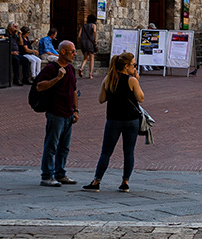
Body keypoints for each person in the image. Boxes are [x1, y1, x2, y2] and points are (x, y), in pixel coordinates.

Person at [84, 50, 143, 192]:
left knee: (106, 152)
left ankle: (97, 181)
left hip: (113, 119)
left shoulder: (108, 79)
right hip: (131, 120)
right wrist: (137, 80)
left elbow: (101, 99)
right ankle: (125, 182)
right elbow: (140, 97)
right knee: (129, 152)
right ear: (127, 66)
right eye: (133, 65)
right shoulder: (131, 80)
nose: (134, 68)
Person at [36, 40, 79, 187]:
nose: (75, 54)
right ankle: (47, 175)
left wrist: (76, 110)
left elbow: (74, 91)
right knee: (52, 145)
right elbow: (40, 86)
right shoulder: (51, 68)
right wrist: (57, 78)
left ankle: (60, 173)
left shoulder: (71, 69)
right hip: (55, 112)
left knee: (64, 146)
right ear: (62, 52)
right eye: (72, 51)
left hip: (68, 113)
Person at [77, 12, 99, 77]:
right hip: (90, 43)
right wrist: (95, 39)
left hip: (83, 43)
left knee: (85, 57)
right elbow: (94, 31)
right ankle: (90, 74)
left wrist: (84, 38)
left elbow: (79, 36)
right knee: (92, 58)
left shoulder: (83, 26)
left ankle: (81, 68)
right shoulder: (93, 25)